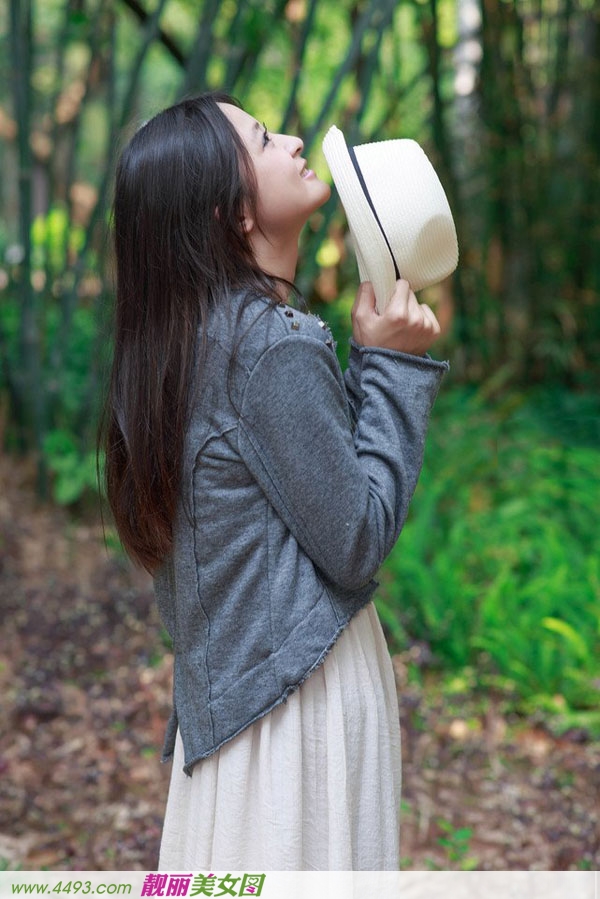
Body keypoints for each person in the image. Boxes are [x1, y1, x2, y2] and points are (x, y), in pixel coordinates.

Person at [102, 91, 449, 871]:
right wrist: (392, 365)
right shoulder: (266, 345)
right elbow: (356, 537)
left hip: (234, 709)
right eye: (262, 139)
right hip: (299, 709)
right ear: (233, 212)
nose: (293, 140)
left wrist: (371, 354)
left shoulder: (184, 346)